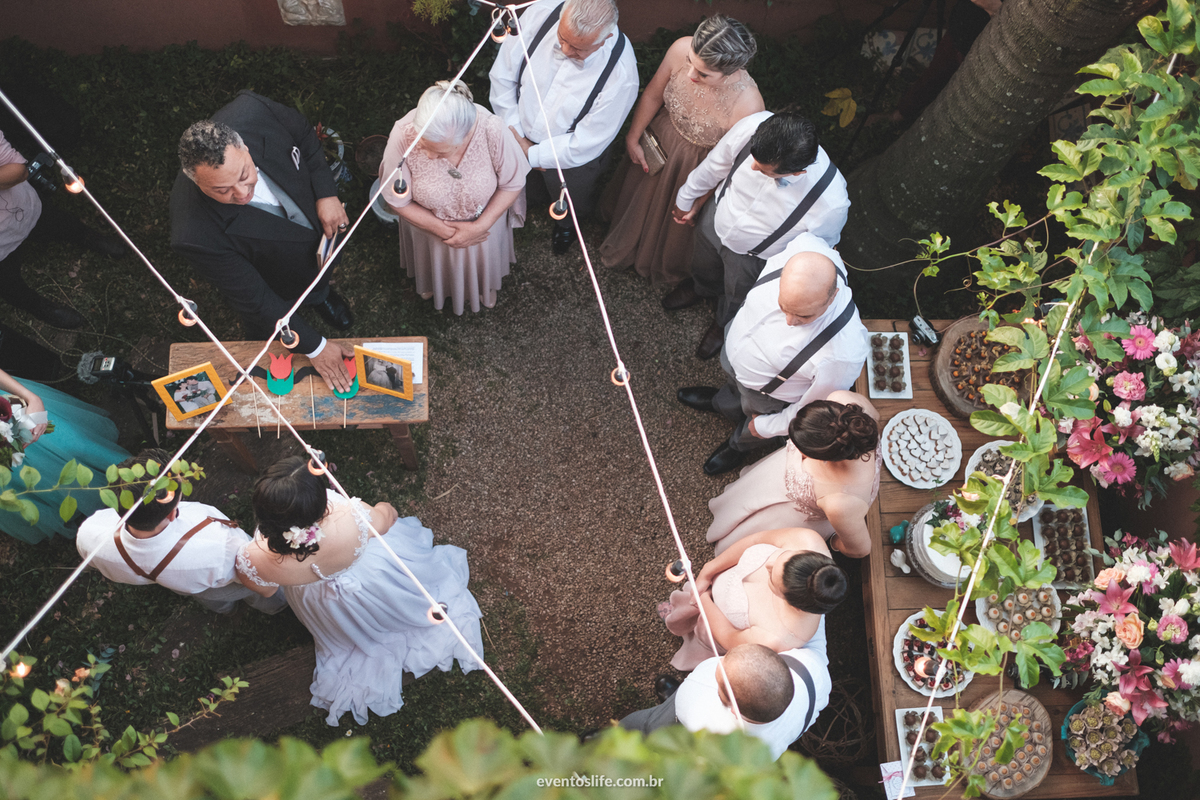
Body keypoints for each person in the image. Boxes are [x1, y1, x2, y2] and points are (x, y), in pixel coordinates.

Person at [235, 456, 484, 726]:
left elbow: (267, 591)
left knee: (344, 627)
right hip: (372, 580)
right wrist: (383, 507)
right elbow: (386, 520)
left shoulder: (252, 557)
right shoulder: (347, 514)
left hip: (320, 603)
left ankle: (355, 632)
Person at [170, 91, 354, 393]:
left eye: (244, 174)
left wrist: (326, 193)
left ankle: (320, 295)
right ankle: (310, 298)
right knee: (273, 310)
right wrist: (316, 348)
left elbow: (306, 138)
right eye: (222, 191)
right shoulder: (193, 234)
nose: (242, 194)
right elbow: (256, 300)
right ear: (197, 182)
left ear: (244, 146)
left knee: (318, 277)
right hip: (276, 276)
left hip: (313, 228)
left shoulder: (255, 110)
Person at [676, 235, 868, 475]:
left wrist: (766, 427)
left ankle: (738, 446)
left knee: (752, 428)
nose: (789, 321)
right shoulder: (802, 246)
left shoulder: (844, 354)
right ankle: (720, 402)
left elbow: (811, 408)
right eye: (783, 307)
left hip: (767, 397)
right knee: (732, 392)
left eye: (804, 316)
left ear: (833, 296)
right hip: (734, 353)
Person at [599, 16, 763, 292]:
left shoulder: (748, 105)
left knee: (673, 215)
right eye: (690, 61)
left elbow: (731, 165)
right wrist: (633, 135)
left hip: (695, 165)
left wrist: (699, 201)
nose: (690, 75)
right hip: (660, 136)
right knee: (638, 193)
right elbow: (653, 94)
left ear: (732, 71)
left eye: (703, 74)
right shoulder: (679, 48)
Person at [670, 112, 850, 359]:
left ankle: (721, 324)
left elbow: (814, 254)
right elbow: (715, 164)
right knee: (701, 264)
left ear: (796, 173)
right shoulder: (753, 126)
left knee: (736, 296)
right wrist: (686, 197)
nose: (752, 167)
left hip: (754, 258)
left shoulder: (830, 203)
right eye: (754, 159)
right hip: (716, 218)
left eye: (763, 170)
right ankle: (701, 288)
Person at [488, 0, 638, 255]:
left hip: (571, 156)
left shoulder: (622, 75)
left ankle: (566, 225)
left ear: (605, 39)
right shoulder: (541, 13)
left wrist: (534, 154)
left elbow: (589, 140)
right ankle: (530, 200)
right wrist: (515, 131)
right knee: (526, 181)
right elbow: (503, 76)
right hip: (517, 129)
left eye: (578, 48)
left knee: (571, 198)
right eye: (562, 38)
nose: (565, 50)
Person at [379, 80, 530, 314]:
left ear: (465, 136)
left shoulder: (491, 129)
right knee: (436, 267)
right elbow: (397, 199)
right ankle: (431, 284)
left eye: (440, 150)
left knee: (482, 265)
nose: (428, 155)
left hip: (485, 230)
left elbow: (513, 183)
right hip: (430, 232)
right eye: (423, 144)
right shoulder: (403, 134)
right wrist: (446, 232)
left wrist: (480, 227)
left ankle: (484, 285)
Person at [75, 449, 287, 614]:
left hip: (181, 580)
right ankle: (276, 608)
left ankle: (225, 610)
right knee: (251, 593)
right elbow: (254, 576)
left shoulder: (91, 531)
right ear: (169, 514)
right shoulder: (220, 546)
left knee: (203, 593)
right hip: (222, 576)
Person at [619, 622, 832, 761]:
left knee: (650, 724)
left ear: (733, 709)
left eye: (719, 680)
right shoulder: (814, 671)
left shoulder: (697, 708)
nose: (716, 663)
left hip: (690, 731)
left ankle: (612, 741)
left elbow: (691, 699)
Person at [707, 391, 881, 558]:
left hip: (795, 516)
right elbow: (876, 417)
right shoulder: (844, 404)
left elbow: (860, 550)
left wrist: (834, 541)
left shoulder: (841, 502)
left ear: (825, 457)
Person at [660, 526, 847, 671]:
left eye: (772, 576)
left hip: (716, 621)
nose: (769, 563)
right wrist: (709, 570)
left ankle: (688, 630)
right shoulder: (807, 540)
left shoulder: (779, 637)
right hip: (720, 581)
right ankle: (682, 615)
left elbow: (728, 637)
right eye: (781, 557)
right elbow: (756, 540)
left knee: (703, 634)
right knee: (688, 606)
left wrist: (704, 600)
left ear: (793, 604)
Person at [0, 128, 124, 329]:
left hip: (23, 208)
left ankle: (86, 236)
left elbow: (18, 169)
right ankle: (40, 307)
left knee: (59, 223)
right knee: (9, 285)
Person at [0, 366, 129, 543]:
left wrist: (31, 398)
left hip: (8, 408)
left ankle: (130, 473)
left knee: (75, 445)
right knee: (40, 481)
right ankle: (80, 510)